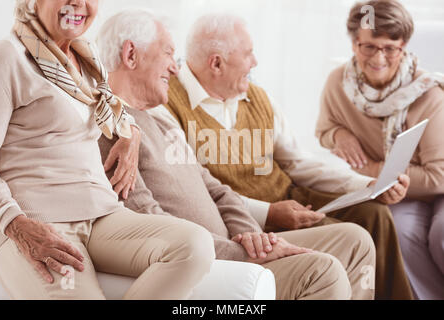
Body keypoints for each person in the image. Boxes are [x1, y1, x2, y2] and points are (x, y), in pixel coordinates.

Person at [96, 9, 378, 300]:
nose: (176, 68)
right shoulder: (112, 131)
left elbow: (217, 190)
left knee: (355, 240)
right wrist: (242, 252)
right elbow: (153, 225)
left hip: (237, 243)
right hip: (213, 262)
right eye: (168, 54)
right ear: (131, 55)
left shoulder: (158, 119)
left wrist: (252, 235)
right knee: (323, 271)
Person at [0, 0, 215, 300]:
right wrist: (17, 226)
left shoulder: (87, 58)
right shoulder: (7, 57)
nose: (78, 3)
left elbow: (111, 108)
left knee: (195, 246)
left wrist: (131, 132)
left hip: (102, 215)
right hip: (38, 221)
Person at [315, 0, 444, 300]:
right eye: (369, 47)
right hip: (400, 191)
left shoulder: (429, 95)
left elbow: (438, 176)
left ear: (404, 46)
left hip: (435, 187)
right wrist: (338, 134)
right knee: (395, 229)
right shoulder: (338, 83)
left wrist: (374, 171)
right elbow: (322, 130)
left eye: (390, 48)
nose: (379, 58)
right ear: (354, 43)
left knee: (442, 235)